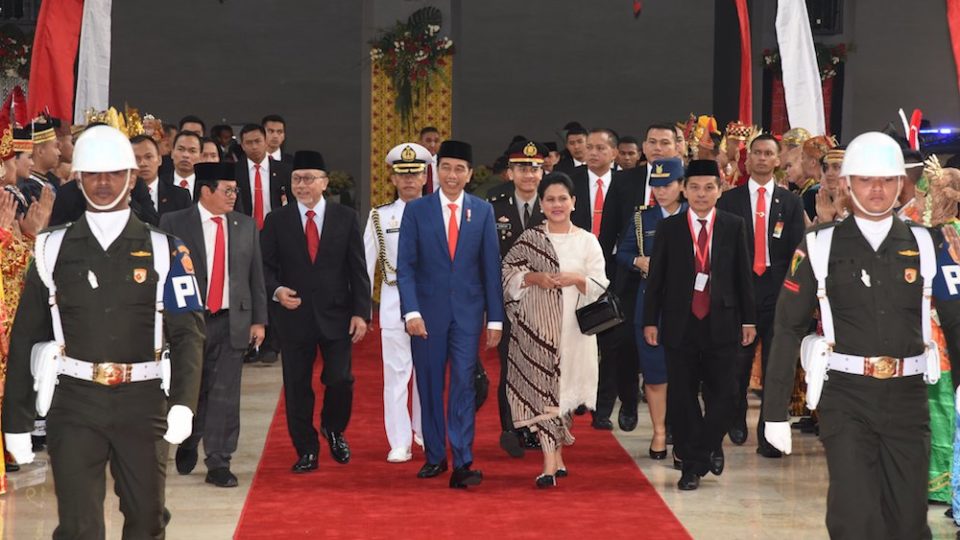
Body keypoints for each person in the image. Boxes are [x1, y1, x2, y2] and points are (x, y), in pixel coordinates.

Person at [2, 125, 205, 537]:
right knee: (78, 525)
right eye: (92, 173)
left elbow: (188, 334)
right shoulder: (51, 248)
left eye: (114, 172)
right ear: (77, 176)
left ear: (133, 177)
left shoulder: (167, 249)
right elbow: (26, 336)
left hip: (143, 401)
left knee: (147, 519)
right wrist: (16, 421)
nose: (103, 182)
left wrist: (183, 402)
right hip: (75, 402)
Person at [762, 132, 960, 539]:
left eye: (887, 180)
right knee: (854, 515)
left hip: (908, 397)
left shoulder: (929, 244)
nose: (877, 189)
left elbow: (956, 322)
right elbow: (787, 326)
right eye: (866, 179)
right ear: (847, 184)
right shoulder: (818, 246)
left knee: (907, 520)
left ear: (901, 184)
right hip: (846, 397)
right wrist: (775, 411)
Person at [643, 159, 756, 491]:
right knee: (682, 395)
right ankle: (691, 466)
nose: (701, 194)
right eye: (694, 187)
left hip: (723, 321)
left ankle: (705, 448)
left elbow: (743, 276)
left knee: (727, 394)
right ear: (683, 189)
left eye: (709, 187)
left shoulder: (734, 225)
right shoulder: (670, 228)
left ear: (720, 191)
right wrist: (651, 320)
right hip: (681, 323)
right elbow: (657, 279)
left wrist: (749, 319)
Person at [396, 140, 504, 489]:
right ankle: (435, 456)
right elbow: (406, 267)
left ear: (470, 174)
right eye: (446, 168)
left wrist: (495, 318)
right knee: (428, 385)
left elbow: (490, 267)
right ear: (435, 171)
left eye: (460, 169)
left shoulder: (482, 211)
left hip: (468, 315)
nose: (452, 175)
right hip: (426, 315)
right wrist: (410, 311)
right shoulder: (417, 211)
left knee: (462, 385)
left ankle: (463, 459)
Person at [261, 150, 370, 473]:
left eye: (309, 179)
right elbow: (265, 268)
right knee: (296, 386)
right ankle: (306, 448)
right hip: (293, 317)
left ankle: (333, 428)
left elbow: (357, 268)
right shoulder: (276, 220)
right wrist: (278, 292)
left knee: (340, 379)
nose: (302, 185)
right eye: (297, 179)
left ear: (324, 183)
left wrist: (360, 312)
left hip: (337, 314)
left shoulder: (345, 217)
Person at [161, 162, 267, 488]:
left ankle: (219, 460)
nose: (234, 196)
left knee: (224, 394)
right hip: (189, 322)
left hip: (230, 320)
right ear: (205, 190)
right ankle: (190, 438)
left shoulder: (245, 225)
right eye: (228, 190)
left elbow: (255, 276)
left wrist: (259, 321)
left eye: (235, 190)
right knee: (192, 388)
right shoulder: (174, 223)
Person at [501, 172, 608, 488]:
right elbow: (507, 273)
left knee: (563, 396)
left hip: (575, 334)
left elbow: (601, 285)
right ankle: (549, 465)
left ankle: (557, 456)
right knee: (543, 395)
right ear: (542, 204)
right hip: (535, 333)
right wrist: (536, 278)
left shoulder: (587, 240)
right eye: (550, 199)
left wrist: (575, 278)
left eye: (563, 199)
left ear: (574, 203)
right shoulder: (530, 238)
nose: (557, 204)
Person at [716, 133, 805, 457]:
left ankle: (769, 433)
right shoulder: (729, 200)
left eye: (769, 153)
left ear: (778, 159)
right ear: (748, 158)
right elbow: (722, 253)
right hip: (741, 292)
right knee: (738, 362)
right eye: (757, 153)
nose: (763, 158)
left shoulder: (791, 202)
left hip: (778, 292)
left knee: (775, 366)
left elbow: (799, 252)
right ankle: (735, 417)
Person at [595, 123, 681, 432]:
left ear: (677, 147)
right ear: (644, 147)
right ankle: (628, 403)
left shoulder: (685, 188)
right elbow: (609, 234)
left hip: (675, 288)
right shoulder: (624, 181)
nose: (658, 148)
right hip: (631, 280)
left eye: (665, 142)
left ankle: (670, 416)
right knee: (625, 345)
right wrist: (605, 277)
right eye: (653, 142)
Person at [615, 158, 687, 460]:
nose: (660, 191)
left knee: (684, 373)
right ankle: (658, 432)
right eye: (655, 186)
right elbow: (623, 251)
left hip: (686, 304)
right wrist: (636, 262)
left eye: (667, 185)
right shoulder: (642, 219)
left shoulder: (694, 215)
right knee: (656, 374)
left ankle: (681, 431)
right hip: (651, 305)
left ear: (681, 185)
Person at [362, 143, 429, 463]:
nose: (409, 180)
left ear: (426, 175)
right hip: (393, 304)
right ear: (392, 178)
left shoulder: (439, 212)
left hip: (431, 305)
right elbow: (365, 266)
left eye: (415, 173)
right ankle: (400, 440)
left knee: (427, 373)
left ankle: (426, 431)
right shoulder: (380, 215)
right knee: (397, 375)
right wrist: (362, 311)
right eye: (403, 174)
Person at [488, 140, 548, 457]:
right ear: (510, 173)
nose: (529, 174)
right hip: (506, 301)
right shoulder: (493, 205)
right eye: (522, 168)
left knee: (539, 367)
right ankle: (512, 428)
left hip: (543, 301)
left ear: (543, 172)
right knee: (511, 366)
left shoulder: (553, 204)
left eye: (534, 168)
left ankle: (537, 426)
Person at [132, 134, 192, 216]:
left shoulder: (180, 196)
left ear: (159, 160)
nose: (143, 163)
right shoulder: (123, 197)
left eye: (148, 157)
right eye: (136, 158)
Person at [418, 126, 442, 194]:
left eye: (436, 141)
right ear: (420, 142)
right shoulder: (414, 163)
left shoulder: (444, 163)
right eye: (428, 141)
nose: (432, 145)